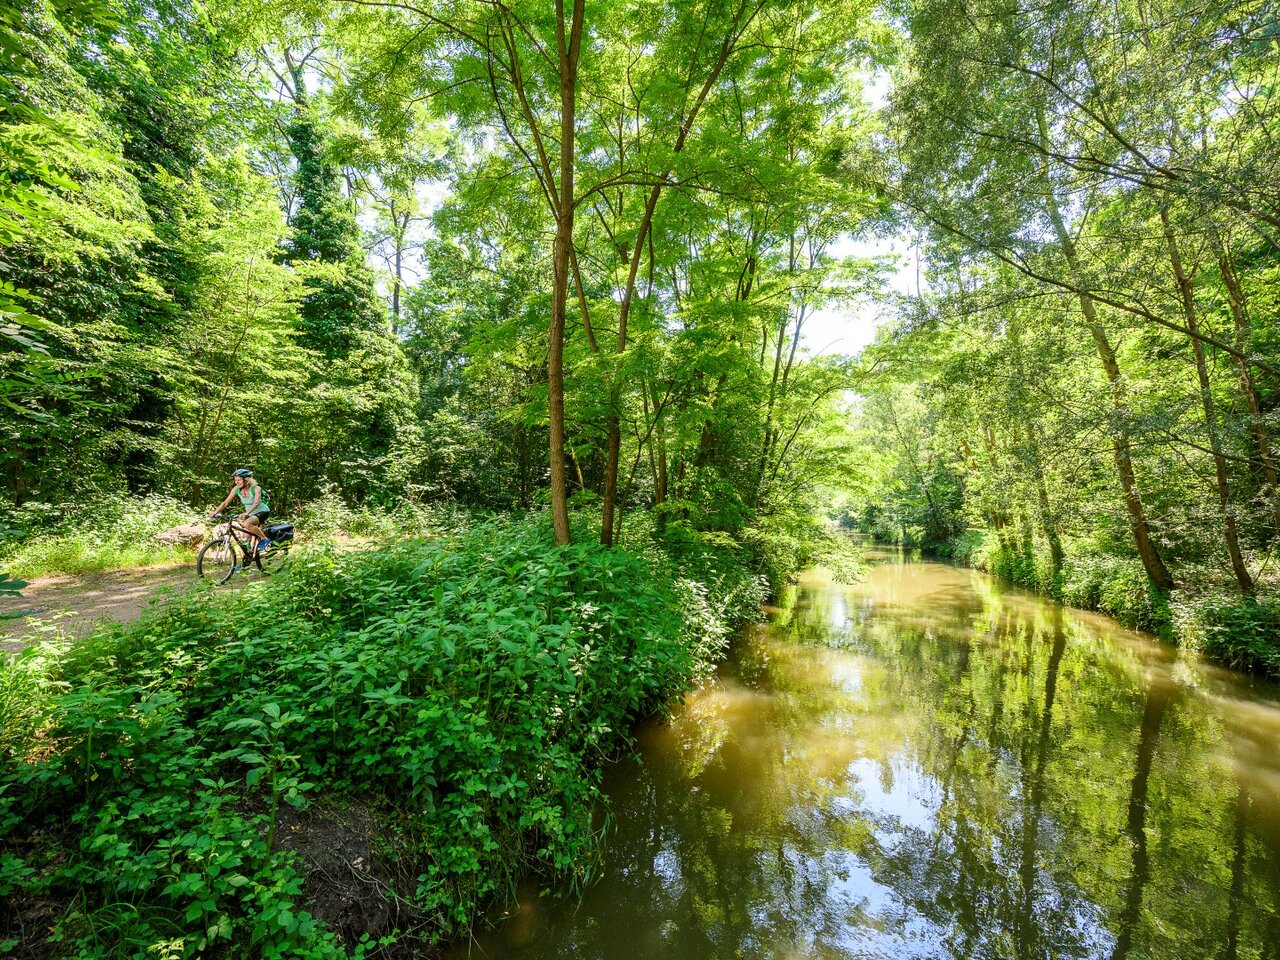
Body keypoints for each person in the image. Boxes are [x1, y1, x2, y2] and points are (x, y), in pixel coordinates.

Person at [211, 469, 273, 554]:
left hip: (262, 511)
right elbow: (225, 503)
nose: (236, 482)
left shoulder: (256, 488)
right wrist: (215, 512)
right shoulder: (236, 489)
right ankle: (248, 558)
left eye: (239, 480)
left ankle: (264, 539)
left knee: (246, 524)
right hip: (250, 514)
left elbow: (256, 503)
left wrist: (247, 513)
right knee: (244, 540)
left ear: (247, 480)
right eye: (235, 480)